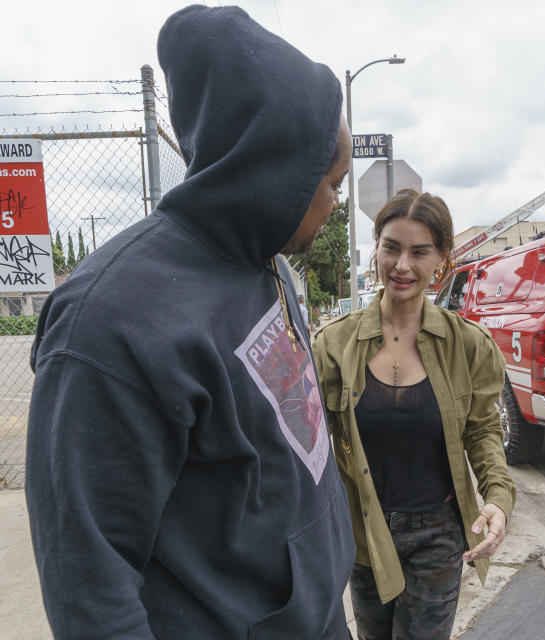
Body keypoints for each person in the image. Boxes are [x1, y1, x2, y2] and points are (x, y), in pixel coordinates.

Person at [25, 6, 355, 638]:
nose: (336, 203)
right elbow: (87, 582)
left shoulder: (270, 267)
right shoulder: (108, 324)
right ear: (276, 167)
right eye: (332, 183)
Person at [313, 189, 517, 640]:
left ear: (441, 259)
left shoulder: (468, 345)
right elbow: (311, 444)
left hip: (437, 533)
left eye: (419, 252)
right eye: (392, 248)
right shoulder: (333, 346)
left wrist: (498, 499)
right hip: (363, 528)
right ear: (377, 251)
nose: (402, 265)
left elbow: (483, 430)